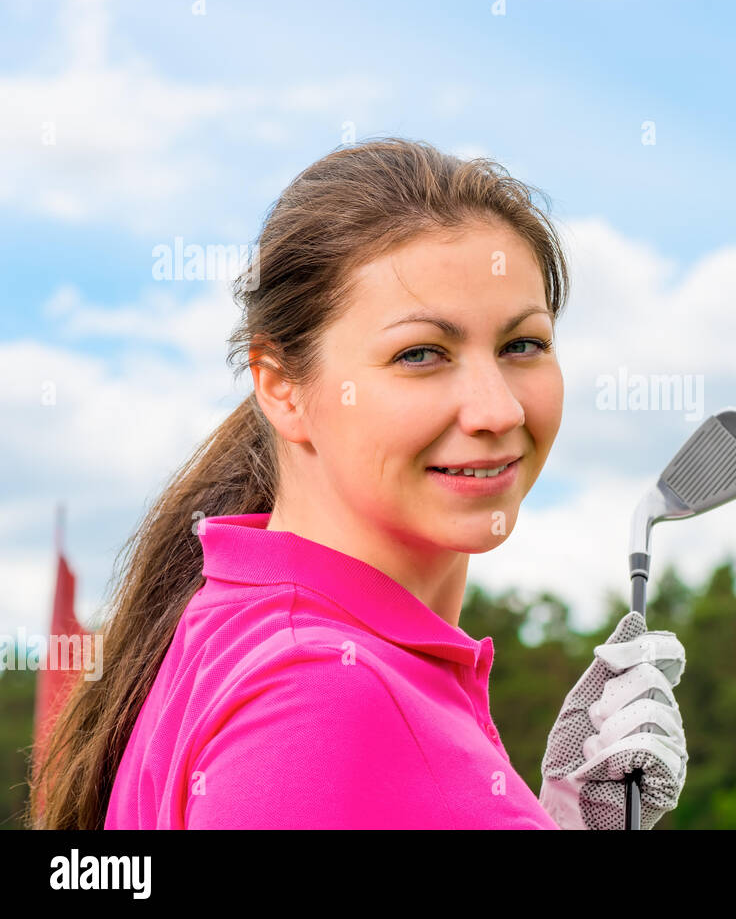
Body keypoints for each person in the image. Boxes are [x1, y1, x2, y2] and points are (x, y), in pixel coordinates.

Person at [26, 137, 687, 829]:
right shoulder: (324, 694)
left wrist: (573, 817)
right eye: (421, 353)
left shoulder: (242, 629)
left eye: (522, 344)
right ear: (282, 388)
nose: (499, 410)